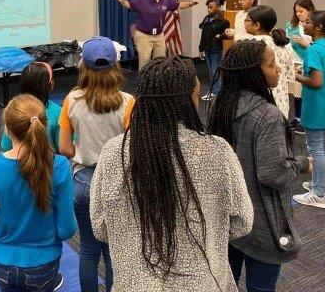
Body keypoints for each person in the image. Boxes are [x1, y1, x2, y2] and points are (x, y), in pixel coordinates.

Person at [90, 57, 253, 291]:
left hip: (134, 284)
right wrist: (205, 232)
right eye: (197, 95)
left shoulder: (114, 152)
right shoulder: (218, 151)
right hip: (204, 283)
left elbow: (101, 226)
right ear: (186, 101)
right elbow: (242, 222)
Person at [209, 40, 311, 292]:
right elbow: (273, 173)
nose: (277, 69)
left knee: (224, 282)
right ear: (251, 73)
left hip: (227, 212)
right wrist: (301, 164)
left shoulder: (218, 104)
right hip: (261, 218)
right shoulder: (267, 115)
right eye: (270, 64)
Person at [0, 94, 76, 292]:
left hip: (5, 261)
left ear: (7, 130)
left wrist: (0, 216)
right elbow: (67, 229)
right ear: (44, 126)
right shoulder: (60, 166)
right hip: (44, 262)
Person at [58, 36, 134, 292]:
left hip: (83, 183)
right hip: (118, 183)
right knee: (113, 251)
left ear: (83, 66)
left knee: (88, 252)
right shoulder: (128, 102)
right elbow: (133, 150)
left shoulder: (72, 100)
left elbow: (65, 148)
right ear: (115, 65)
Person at [292, 11, 325, 209]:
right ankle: (318, 184)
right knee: (320, 146)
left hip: (317, 104)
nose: (304, 24)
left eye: (308, 22)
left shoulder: (313, 50)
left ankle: (319, 193)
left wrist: (297, 76)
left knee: (315, 149)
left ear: (319, 27)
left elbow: (316, 81)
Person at [115, 0, 199, 70]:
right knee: (145, 62)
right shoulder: (142, 0)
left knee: (161, 62)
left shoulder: (166, 0)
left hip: (159, 35)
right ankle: (144, 83)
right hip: (144, 36)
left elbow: (179, 5)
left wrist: (191, 3)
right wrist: (122, 0)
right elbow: (128, 4)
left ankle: (157, 82)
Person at [0, 62, 62, 153]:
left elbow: (6, 147)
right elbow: (63, 148)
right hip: (50, 164)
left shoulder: (14, 109)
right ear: (51, 84)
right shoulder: (58, 112)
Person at [244, 5, 294, 119]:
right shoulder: (285, 44)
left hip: (260, 106)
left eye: (247, 20)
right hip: (282, 105)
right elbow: (291, 79)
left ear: (257, 25)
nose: (244, 23)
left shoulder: (253, 45)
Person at [285, 0, 315, 131]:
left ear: (310, 10)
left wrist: (304, 44)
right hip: (294, 62)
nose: (298, 14)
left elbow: (317, 46)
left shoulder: (314, 26)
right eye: (296, 11)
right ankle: (297, 119)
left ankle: (305, 120)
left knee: (305, 95)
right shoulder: (292, 26)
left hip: (307, 63)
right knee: (295, 94)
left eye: (301, 11)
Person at [198, 0, 229, 100]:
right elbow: (203, 35)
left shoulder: (223, 21)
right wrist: (201, 49)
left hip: (216, 49)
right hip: (207, 48)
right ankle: (213, 90)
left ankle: (216, 92)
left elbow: (228, 34)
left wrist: (220, 35)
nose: (209, 9)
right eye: (208, 7)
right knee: (211, 72)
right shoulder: (206, 18)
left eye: (211, 7)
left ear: (218, 7)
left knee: (215, 71)